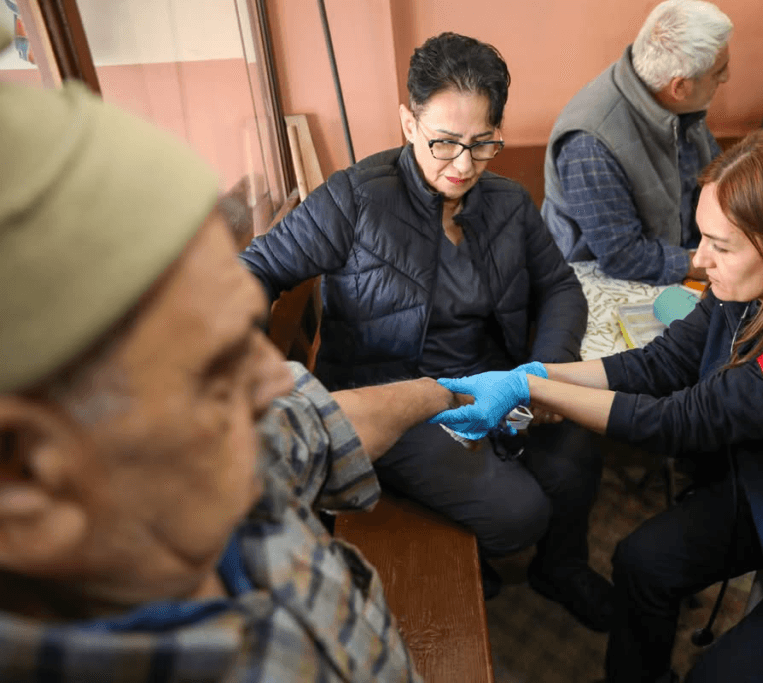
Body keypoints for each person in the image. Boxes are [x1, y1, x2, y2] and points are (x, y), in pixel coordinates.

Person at [0, 24, 473, 681]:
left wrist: (444, 391)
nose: (277, 380)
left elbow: (317, 425)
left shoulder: (202, 453)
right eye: (214, 370)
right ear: (28, 478)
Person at [431, 126, 763, 683]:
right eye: (702, 237)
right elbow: (659, 365)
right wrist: (536, 374)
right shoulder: (747, 285)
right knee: (644, 562)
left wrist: (532, 391)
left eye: (721, 245)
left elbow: (682, 421)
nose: (701, 258)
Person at [240, 33, 612, 630]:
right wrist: (242, 365)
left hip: (496, 381)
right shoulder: (355, 200)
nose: (463, 165)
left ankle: (559, 568)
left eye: (482, 144)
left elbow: (560, 288)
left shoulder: (508, 203)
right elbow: (255, 269)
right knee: (517, 513)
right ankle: (461, 531)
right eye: (443, 142)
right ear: (408, 123)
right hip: (398, 399)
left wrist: (543, 369)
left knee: (576, 453)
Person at [541, 0, 732, 285]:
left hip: (678, 257)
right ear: (679, 87)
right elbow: (622, 256)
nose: (727, 77)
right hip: (594, 277)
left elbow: (717, 182)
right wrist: (705, 264)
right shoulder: (590, 144)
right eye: (719, 71)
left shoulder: (678, 103)